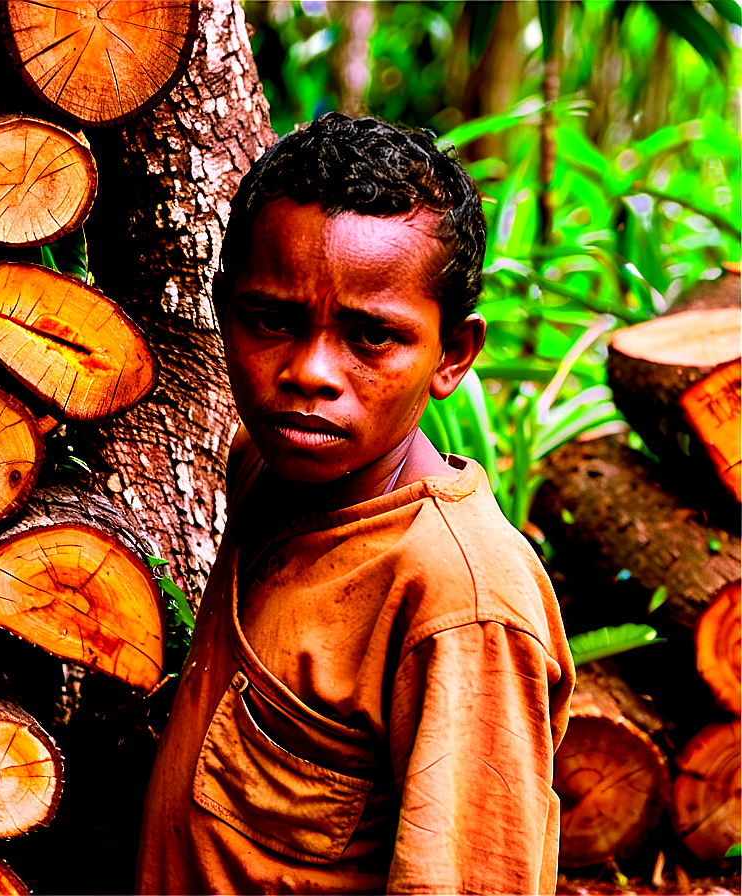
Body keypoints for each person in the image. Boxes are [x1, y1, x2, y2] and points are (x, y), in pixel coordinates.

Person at [136, 112, 575, 895]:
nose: (309, 372)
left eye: (372, 338)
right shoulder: (269, 473)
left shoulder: (461, 604)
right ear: (223, 307)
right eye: (272, 320)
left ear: (453, 356)